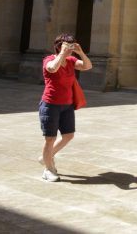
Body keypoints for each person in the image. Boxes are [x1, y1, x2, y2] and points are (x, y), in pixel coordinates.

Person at [38, 33, 92, 182]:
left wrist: (80, 52)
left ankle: (46, 157)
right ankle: (48, 170)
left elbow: (87, 66)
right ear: (58, 46)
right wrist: (61, 53)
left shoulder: (71, 61)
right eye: (67, 46)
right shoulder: (49, 59)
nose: (69, 49)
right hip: (50, 105)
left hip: (67, 105)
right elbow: (52, 68)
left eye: (71, 46)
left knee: (68, 135)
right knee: (50, 138)